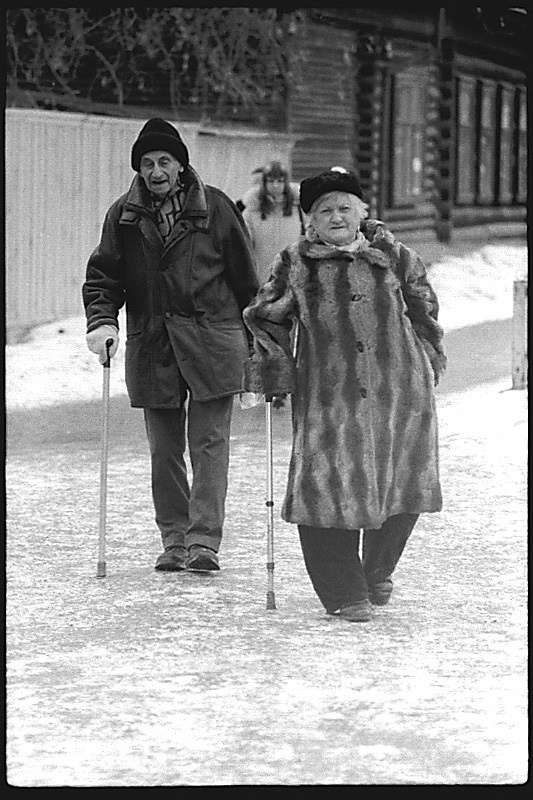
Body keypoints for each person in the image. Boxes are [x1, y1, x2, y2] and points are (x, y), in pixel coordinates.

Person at [242, 167, 446, 623]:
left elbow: (424, 308)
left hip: (400, 393)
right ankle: (343, 590)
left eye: (344, 208)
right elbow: (264, 316)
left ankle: (375, 572)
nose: (336, 217)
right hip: (328, 397)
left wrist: (427, 356)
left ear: (361, 212)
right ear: (309, 220)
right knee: (323, 487)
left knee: (401, 484)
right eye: (324, 210)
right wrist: (273, 369)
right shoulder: (295, 263)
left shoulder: (395, 255)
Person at [83, 117, 259, 573]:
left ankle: (204, 541)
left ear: (181, 165)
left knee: (209, 443)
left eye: (164, 161)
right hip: (154, 344)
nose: (156, 170)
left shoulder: (217, 208)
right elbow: (104, 277)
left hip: (213, 343)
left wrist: (262, 340)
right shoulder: (123, 214)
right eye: (147, 163)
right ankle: (175, 539)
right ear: (139, 169)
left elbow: (246, 281)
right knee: (164, 451)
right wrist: (103, 323)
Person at [240, 160, 304, 286]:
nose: (275, 186)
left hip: (293, 281)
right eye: (271, 181)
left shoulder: (299, 210)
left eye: (280, 181)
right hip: (262, 280)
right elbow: (243, 247)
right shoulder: (252, 212)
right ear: (264, 183)